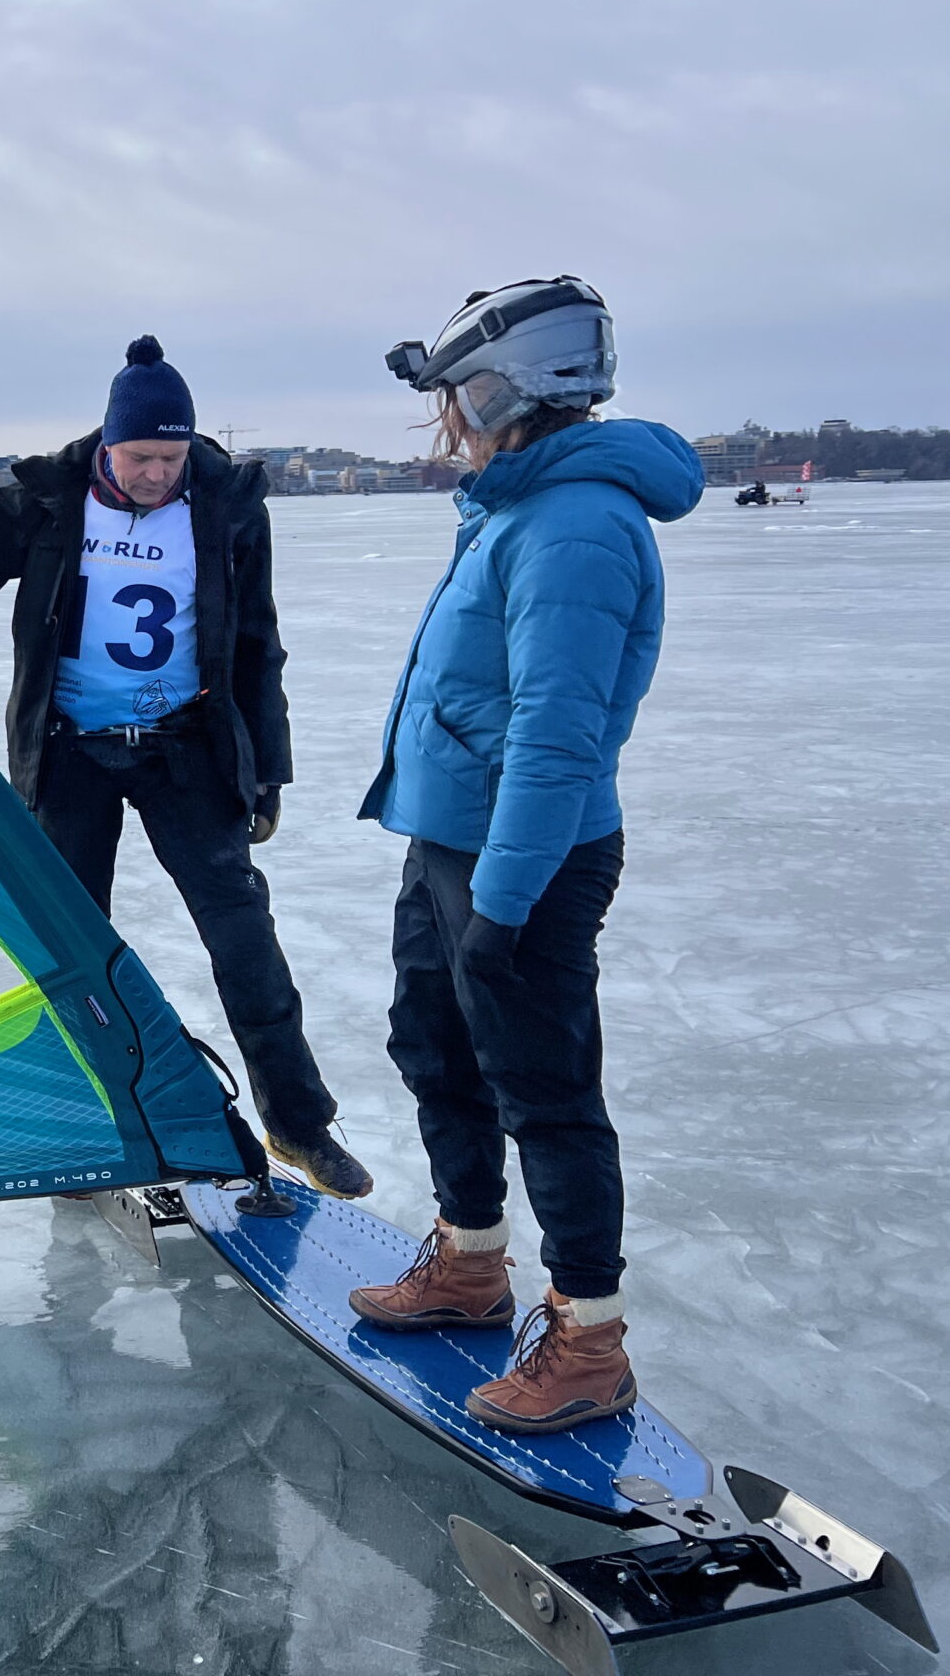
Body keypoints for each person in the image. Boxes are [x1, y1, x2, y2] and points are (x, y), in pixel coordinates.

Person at [0, 336, 371, 1206]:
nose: (158, 474)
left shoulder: (230, 505)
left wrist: (268, 772)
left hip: (187, 751)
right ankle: (87, 1115)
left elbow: (255, 643)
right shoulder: (47, 498)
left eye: (172, 457)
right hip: (71, 753)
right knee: (69, 947)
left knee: (245, 940)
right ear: (107, 444)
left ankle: (299, 1123)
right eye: (141, 457)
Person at [348, 277, 703, 1434]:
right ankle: (467, 1263)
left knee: (544, 1095)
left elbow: (556, 737)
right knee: (433, 1050)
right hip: (449, 840)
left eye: (454, 395)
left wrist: (501, 903)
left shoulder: (575, 527)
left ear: (509, 388)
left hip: (525, 862)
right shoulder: (512, 506)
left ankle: (588, 1340)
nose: (444, 418)